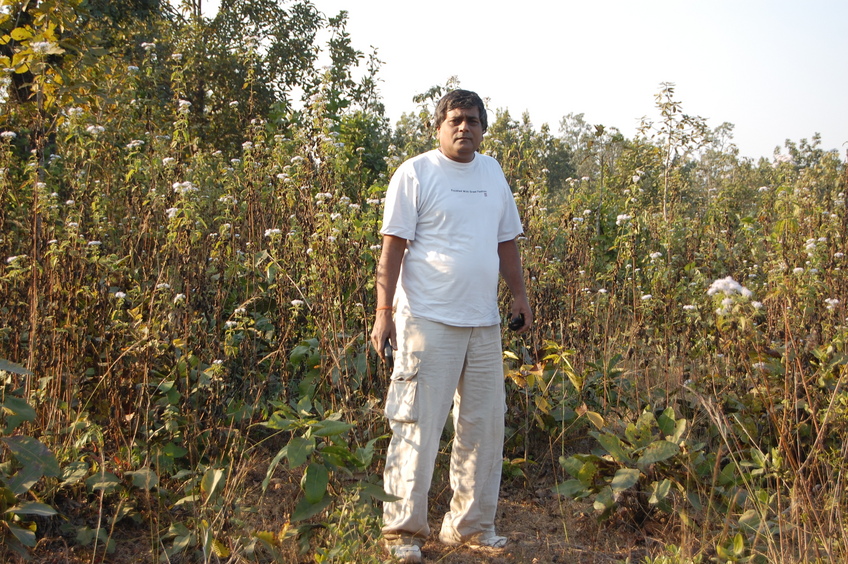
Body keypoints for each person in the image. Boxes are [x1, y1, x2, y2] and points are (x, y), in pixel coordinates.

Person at [370, 89, 532, 563]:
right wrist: (383, 315)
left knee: (483, 428)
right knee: (416, 426)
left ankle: (471, 528)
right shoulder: (416, 173)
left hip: (483, 323)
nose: (465, 128)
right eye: (456, 119)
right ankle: (403, 534)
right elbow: (392, 249)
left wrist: (519, 296)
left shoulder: (492, 173)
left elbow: (507, 244)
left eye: (474, 121)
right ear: (439, 126)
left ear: (484, 128)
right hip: (426, 321)